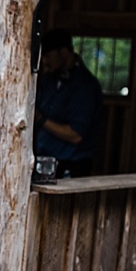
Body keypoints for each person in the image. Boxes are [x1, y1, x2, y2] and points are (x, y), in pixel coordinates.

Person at [34, 28, 103, 178]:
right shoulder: (49, 79)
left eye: (48, 56)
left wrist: (40, 119)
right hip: (45, 160)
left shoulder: (86, 86)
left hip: (72, 165)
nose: (44, 61)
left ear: (64, 52)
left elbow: (75, 135)